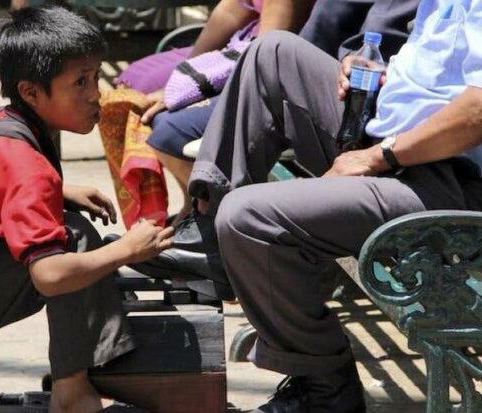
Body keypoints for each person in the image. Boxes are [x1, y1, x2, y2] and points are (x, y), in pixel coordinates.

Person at [142, 0, 482, 411]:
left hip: (448, 182)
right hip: (398, 140)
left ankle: (325, 391)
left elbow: (475, 114)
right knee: (273, 52)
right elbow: (438, 76)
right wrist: (375, 71)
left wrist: (379, 158)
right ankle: (209, 241)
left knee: (249, 218)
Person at [0, 7, 173, 413]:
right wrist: (127, 249)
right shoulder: (29, 166)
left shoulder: (2, 123)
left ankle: (78, 378)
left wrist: (61, 191)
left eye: (96, 76)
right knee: (74, 242)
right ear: (31, 92)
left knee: (70, 227)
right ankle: (73, 392)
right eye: (80, 82)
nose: (96, 94)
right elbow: (50, 276)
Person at [140, 0, 418, 228]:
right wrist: (187, 79)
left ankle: (208, 225)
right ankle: (202, 219)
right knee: (137, 94)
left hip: (386, 126)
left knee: (176, 135)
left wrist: (380, 154)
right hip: (353, 88)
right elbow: (230, 11)